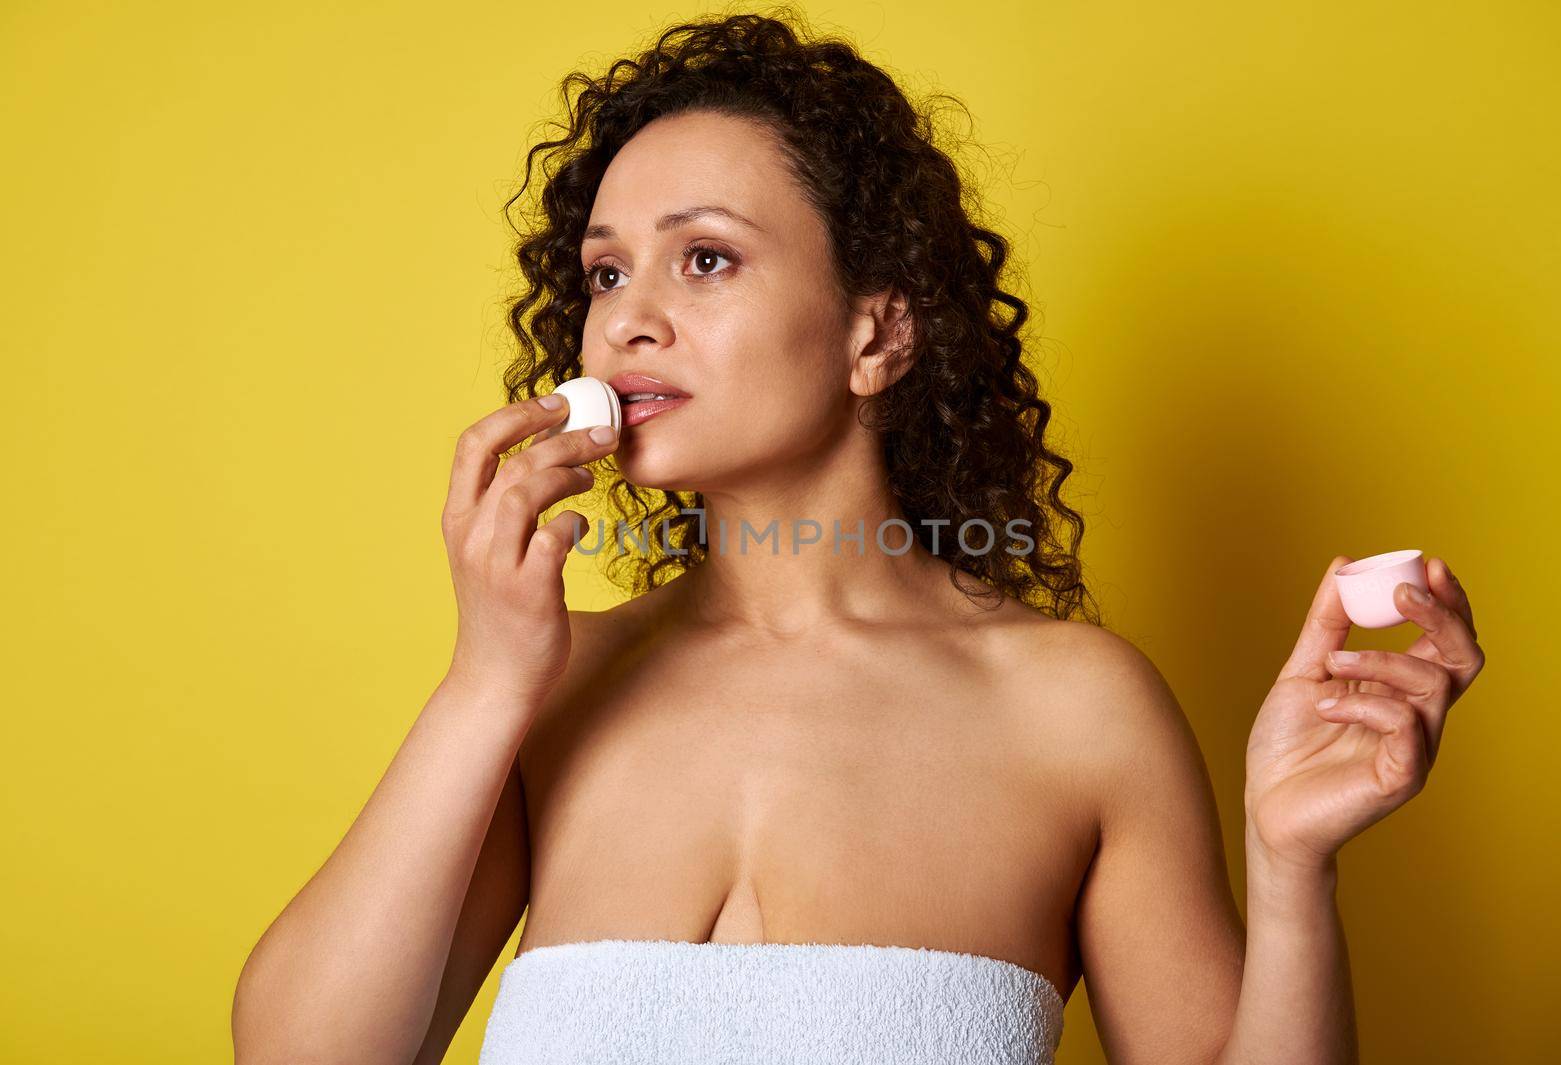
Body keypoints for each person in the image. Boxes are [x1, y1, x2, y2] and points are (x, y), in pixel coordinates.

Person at [231, 10, 1486, 1065]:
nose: (628, 323)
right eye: (606, 274)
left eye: (705, 259)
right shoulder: (550, 688)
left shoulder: (1078, 713)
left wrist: (1288, 869)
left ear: (875, 336)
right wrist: (483, 682)